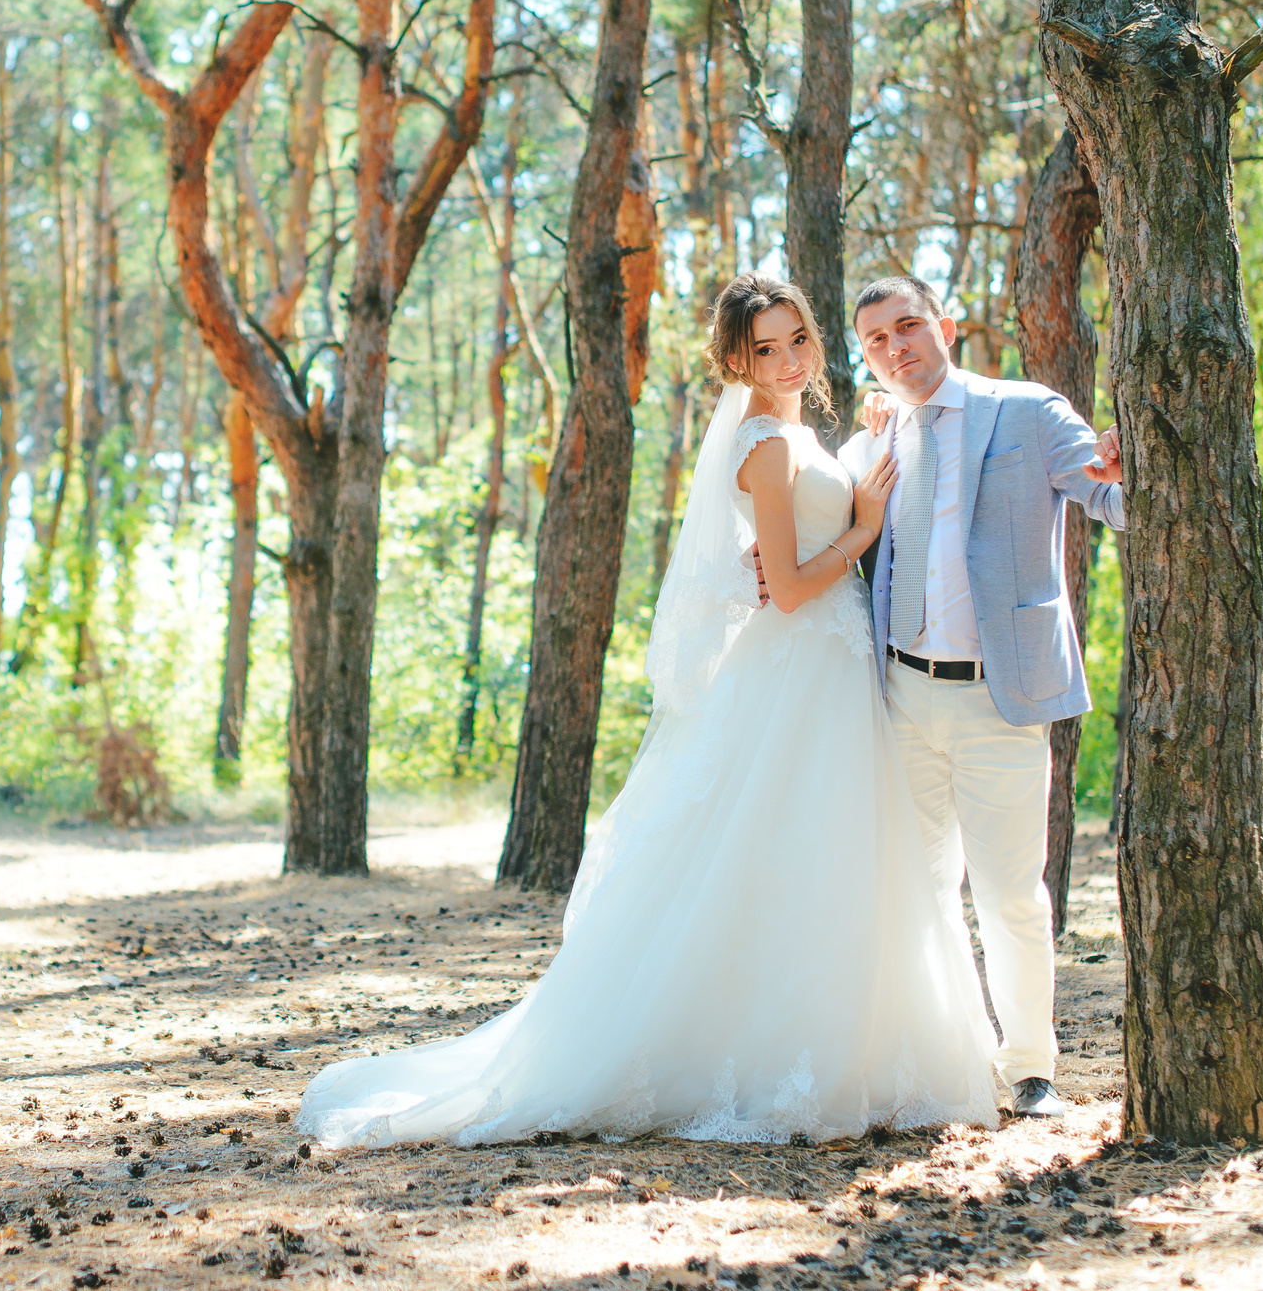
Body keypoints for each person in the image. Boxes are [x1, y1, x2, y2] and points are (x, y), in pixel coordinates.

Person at [296, 274, 1001, 1151]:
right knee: (784, 853)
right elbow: (784, 588)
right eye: (764, 349)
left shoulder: (791, 434)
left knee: (824, 857)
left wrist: (864, 445)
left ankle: (844, 1045)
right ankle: (773, 1057)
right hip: (800, 662)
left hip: (830, 667)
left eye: (797, 341)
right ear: (736, 360)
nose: (786, 361)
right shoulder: (768, 446)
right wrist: (860, 529)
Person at [828, 273, 1124, 1120]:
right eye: (877, 339)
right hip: (902, 699)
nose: (896, 347)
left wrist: (1125, 457)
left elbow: (1111, 497)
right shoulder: (881, 439)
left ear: (945, 325)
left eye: (908, 326)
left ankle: (1030, 1066)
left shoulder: (1026, 410)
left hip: (1001, 698)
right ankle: (937, 1058)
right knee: (916, 891)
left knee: (1010, 893)